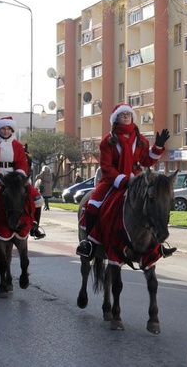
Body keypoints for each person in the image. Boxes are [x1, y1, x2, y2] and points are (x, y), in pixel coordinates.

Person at [75, 103, 174, 259]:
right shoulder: (108, 141)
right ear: (116, 119)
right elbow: (106, 167)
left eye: (129, 114)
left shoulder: (141, 140)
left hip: (137, 179)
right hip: (112, 180)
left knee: (153, 206)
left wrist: (158, 146)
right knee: (92, 204)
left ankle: (157, 245)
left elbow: (147, 161)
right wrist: (123, 181)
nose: (126, 117)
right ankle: (89, 243)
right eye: (123, 115)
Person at [0, 116, 45, 240]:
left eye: (8, 129)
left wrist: (19, 176)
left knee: (37, 198)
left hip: (15, 177)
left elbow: (22, 162)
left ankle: (34, 225)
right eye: (3, 129)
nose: (6, 131)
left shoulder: (17, 145)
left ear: (12, 130)